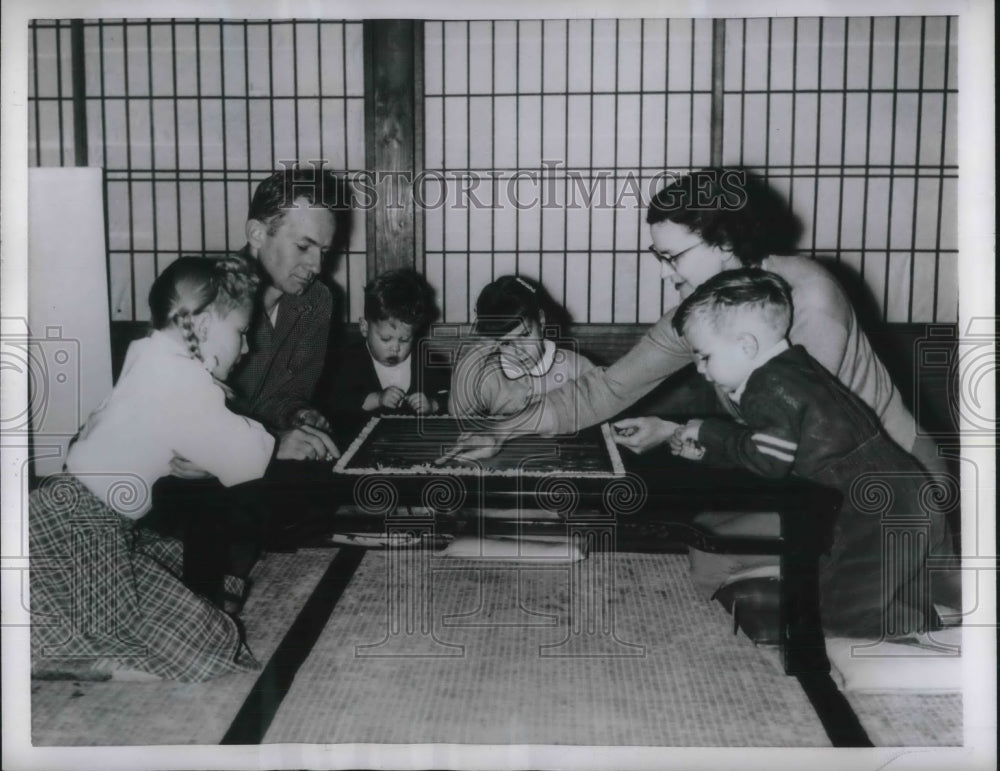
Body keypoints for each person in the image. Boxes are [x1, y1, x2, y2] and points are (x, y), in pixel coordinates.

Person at [440, 168, 949, 597]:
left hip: (891, 487)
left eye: (672, 257)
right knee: (709, 545)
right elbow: (608, 388)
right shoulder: (708, 307)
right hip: (814, 477)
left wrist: (683, 434)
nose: (664, 274)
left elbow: (801, 457)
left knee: (727, 563)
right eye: (657, 256)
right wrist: (506, 429)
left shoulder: (810, 302)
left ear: (725, 243)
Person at [30, 256, 321, 682]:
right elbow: (245, 459)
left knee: (180, 593)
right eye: (240, 333)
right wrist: (278, 441)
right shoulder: (186, 384)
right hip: (85, 535)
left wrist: (208, 400)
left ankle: (61, 640)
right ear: (203, 327)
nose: (246, 348)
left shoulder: (148, 354)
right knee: (208, 644)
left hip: (59, 513)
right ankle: (62, 651)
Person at [660, 268, 956, 638]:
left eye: (704, 357)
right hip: (908, 489)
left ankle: (926, 630)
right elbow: (774, 447)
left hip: (875, 511)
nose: (701, 370)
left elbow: (769, 464)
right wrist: (708, 451)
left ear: (747, 346)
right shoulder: (797, 367)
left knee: (838, 613)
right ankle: (931, 617)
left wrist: (710, 431)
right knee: (906, 581)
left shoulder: (766, 389)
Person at [324, 268, 448, 443]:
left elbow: (452, 396)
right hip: (362, 445)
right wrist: (377, 399)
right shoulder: (349, 361)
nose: (395, 348)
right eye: (386, 339)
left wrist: (433, 404)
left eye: (404, 340)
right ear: (364, 328)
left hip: (416, 444)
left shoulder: (426, 361)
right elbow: (335, 402)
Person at [449, 274, 595, 421]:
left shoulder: (573, 366)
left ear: (541, 320)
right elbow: (458, 412)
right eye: (506, 343)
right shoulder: (493, 374)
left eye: (525, 335)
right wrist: (480, 348)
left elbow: (604, 401)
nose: (519, 350)